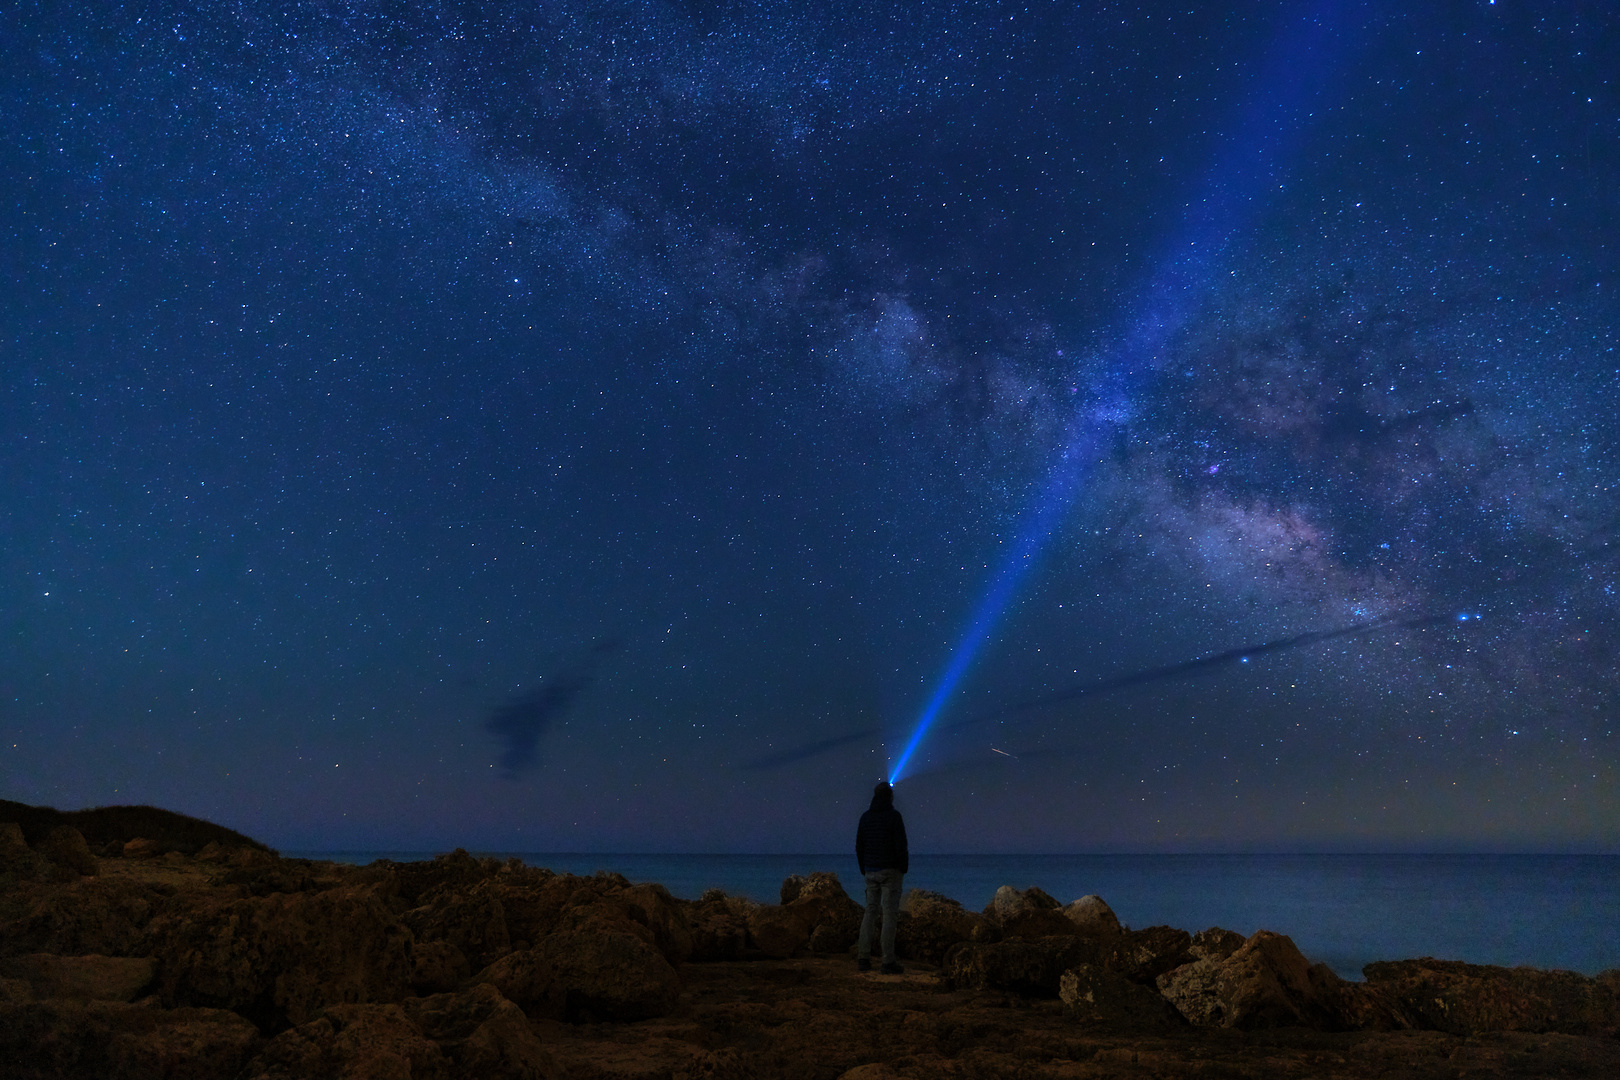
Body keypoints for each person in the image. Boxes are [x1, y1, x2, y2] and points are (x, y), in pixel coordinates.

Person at [855, 780, 909, 974]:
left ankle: (863, 958)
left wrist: (864, 867)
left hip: (870, 870)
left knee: (869, 913)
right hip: (890, 871)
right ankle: (888, 962)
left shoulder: (865, 818)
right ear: (890, 797)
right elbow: (900, 845)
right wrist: (903, 867)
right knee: (889, 914)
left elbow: (859, 845)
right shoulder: (894, 817)